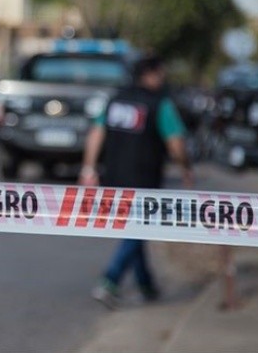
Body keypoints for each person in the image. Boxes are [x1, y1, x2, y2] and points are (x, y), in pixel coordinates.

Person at [79, 56, 194, 309]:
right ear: (150, 75)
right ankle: (111, 279)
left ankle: (146, 284)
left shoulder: (115, 100)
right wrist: (185, 167)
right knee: (138, 228)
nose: (163, 79)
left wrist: (89, 168)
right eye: (160, 73)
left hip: (115, 176)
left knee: (136, 228)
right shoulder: (159, 104)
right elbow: (175, 143)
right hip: (144, 178)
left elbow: (96, 133)